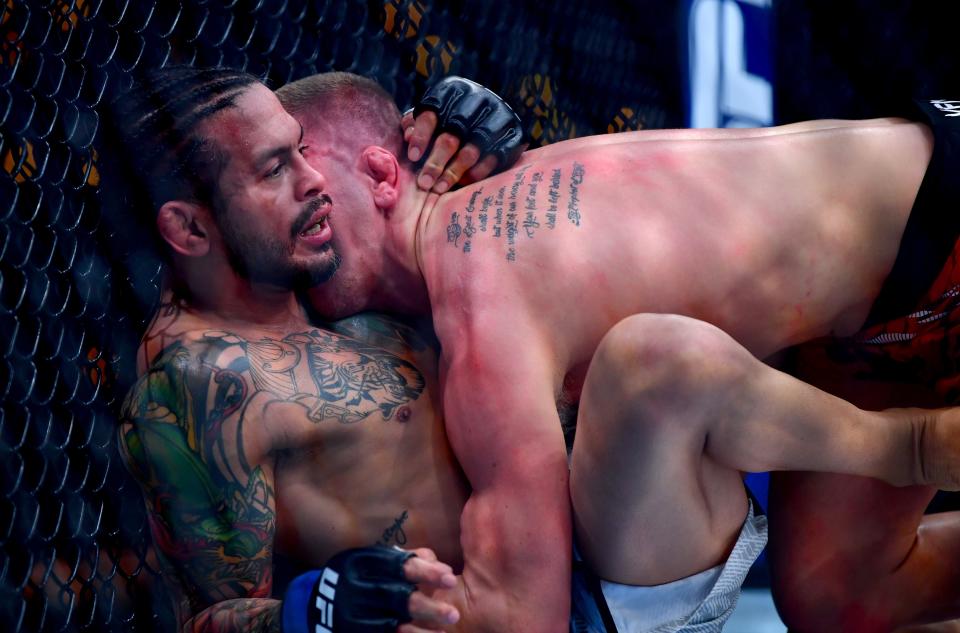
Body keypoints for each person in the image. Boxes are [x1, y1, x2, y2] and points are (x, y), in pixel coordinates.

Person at [287, 71, 960, 632]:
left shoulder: (481, 305)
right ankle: (910, 444)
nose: (286, 218)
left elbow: (529, 615)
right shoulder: (490, 210)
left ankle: (913, 446)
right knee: (837, 593)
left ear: (381, 175)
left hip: (938, 219)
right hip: (879, 312)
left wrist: (355, 607)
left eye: (301, 177)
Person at [110, 66, 526, 632]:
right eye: (275, 168)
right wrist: (314, 609)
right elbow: (205, 617)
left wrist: (465, 133)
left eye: (301, 149)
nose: (314, 180)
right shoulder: (200, 383)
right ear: (190, 230)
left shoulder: (303, 262)